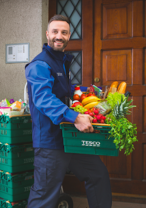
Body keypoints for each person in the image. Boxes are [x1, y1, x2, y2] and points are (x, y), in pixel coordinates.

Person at [25, 15, 112, 208]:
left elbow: (62, 90)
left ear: (68, 36)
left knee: (97, 175)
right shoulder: (40, 64)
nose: (59, 36)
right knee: (44, 195)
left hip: (71, 139)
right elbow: (43, 98)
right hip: (51, 142)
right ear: (47, 34)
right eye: (55, 31)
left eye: (63, 32)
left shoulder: (61, 62)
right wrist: (75, 117)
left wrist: (89, 94)